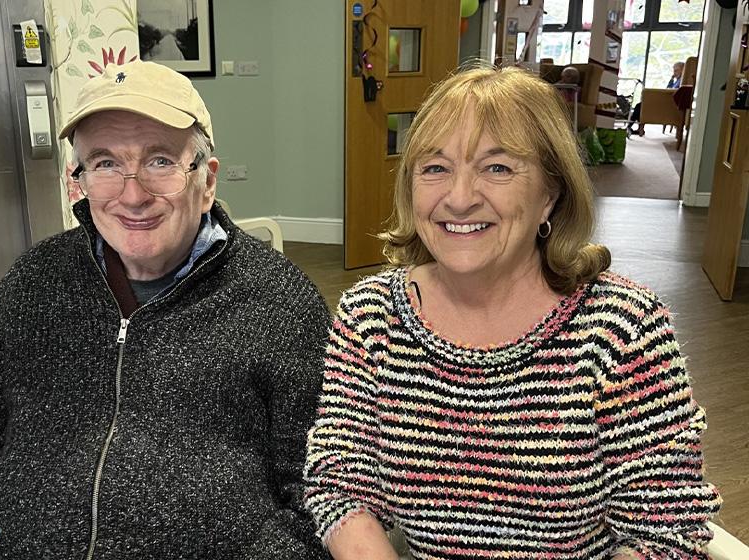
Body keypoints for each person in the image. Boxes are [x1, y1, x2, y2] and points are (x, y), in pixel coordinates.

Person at [0, 60, 331, 559]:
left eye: (160, 161)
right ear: (81, 180)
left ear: (208, 181)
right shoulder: (34, 281)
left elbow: (321, 495)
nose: (133, 196)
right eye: (106, 163)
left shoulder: (280, 301)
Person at [303, 66, 720, 559]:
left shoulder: (622, 328)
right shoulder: (371, 314)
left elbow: (665, 535)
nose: (459, 199)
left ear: (550, 194)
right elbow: (340, 482)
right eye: (435, 168)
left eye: (497, 168)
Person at [628, 60, 685, 135]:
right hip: (666, 103)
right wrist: (671, 79)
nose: (674, 73)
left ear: (683, 70)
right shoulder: (677, 80)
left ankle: (631, 127)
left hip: (668, 106)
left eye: (676, 71)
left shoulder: (681, 81)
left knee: (640, 106)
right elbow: (668, 89)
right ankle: (636, 128)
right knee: (639, 106)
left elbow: (669, 91)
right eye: (674, 71)